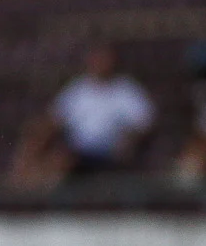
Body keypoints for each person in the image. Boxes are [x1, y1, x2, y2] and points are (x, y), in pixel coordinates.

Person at [10, 44, 155, 188]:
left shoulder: (126, 90)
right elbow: (54, 118)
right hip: (79, 150)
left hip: (110, 151)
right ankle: (22, 184)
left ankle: (39, 195)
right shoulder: (79, 89)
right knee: (40, 138)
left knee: (62, 159)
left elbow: (145, 123)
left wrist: (129, 140)